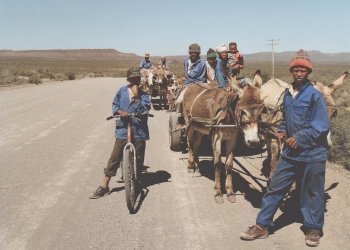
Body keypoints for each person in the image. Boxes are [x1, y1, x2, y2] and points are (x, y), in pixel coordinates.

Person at [240, 49, 330, 247]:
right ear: (292, 71)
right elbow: (286, 118)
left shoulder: (314, 96)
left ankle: (313, 228)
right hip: (290, 153)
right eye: (296, 70)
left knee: (313, 192)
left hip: (312, 153)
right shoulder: (288, 94)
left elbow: (322, 126)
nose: (299, 73)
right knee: (274, 188)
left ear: (308, 72)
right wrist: (282, 131)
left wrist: (299, 138)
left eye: (303, 71)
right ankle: (262, 225)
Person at [89, 68, 151, 199]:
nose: (135, 81)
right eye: (132, 79)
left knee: (138, 158)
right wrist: (120, 112)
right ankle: (105, 186)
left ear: (140, 80)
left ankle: (137, 182)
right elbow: (115, 105)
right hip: (123, 127)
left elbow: (144, 109)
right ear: (128, 80)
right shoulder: (121, 91)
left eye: (137, 79)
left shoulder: (144, 95)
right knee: (115, 156)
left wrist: (136, 96)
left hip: (139, 129)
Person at [174, 43, 206, 126]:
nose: (193, 54)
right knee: (178, 102)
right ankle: (181, 116)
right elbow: (186, 75)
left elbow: (201, 79)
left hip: (198, 87)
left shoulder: (202, 64)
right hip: (187, 85)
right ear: (189, 53)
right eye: (192, 52)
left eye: (195, 52)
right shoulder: (186, 61)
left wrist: (191, 87)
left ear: (198, 53)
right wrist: (185, 84)